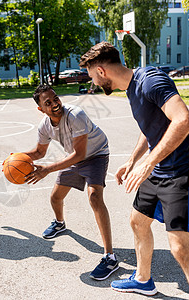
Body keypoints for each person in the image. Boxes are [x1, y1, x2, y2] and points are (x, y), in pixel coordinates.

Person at [80, 42, 189, 299]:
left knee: (181, 249)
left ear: (101, 71)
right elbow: (149, 124)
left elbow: (184, 120)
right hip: (158, 167)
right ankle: (142, 279)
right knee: (138, 221)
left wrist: (148, 163)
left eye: (92, 77)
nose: (93, 83)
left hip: (182, 169)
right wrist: (133, 161)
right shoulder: (131, 89)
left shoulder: (150, 80)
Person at [23, 84, 118, 280]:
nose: (55, 104)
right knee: (55, 197)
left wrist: (47, 170)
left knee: (95, 197)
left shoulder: (76, 115)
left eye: (55, 98)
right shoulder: (45, 126)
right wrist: (15, 158)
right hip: (73, 157)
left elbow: (80, 153)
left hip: (95, 154)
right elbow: (39, 152)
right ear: (41, 109)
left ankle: (110, 256)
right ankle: (60, 223)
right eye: (48, 103)